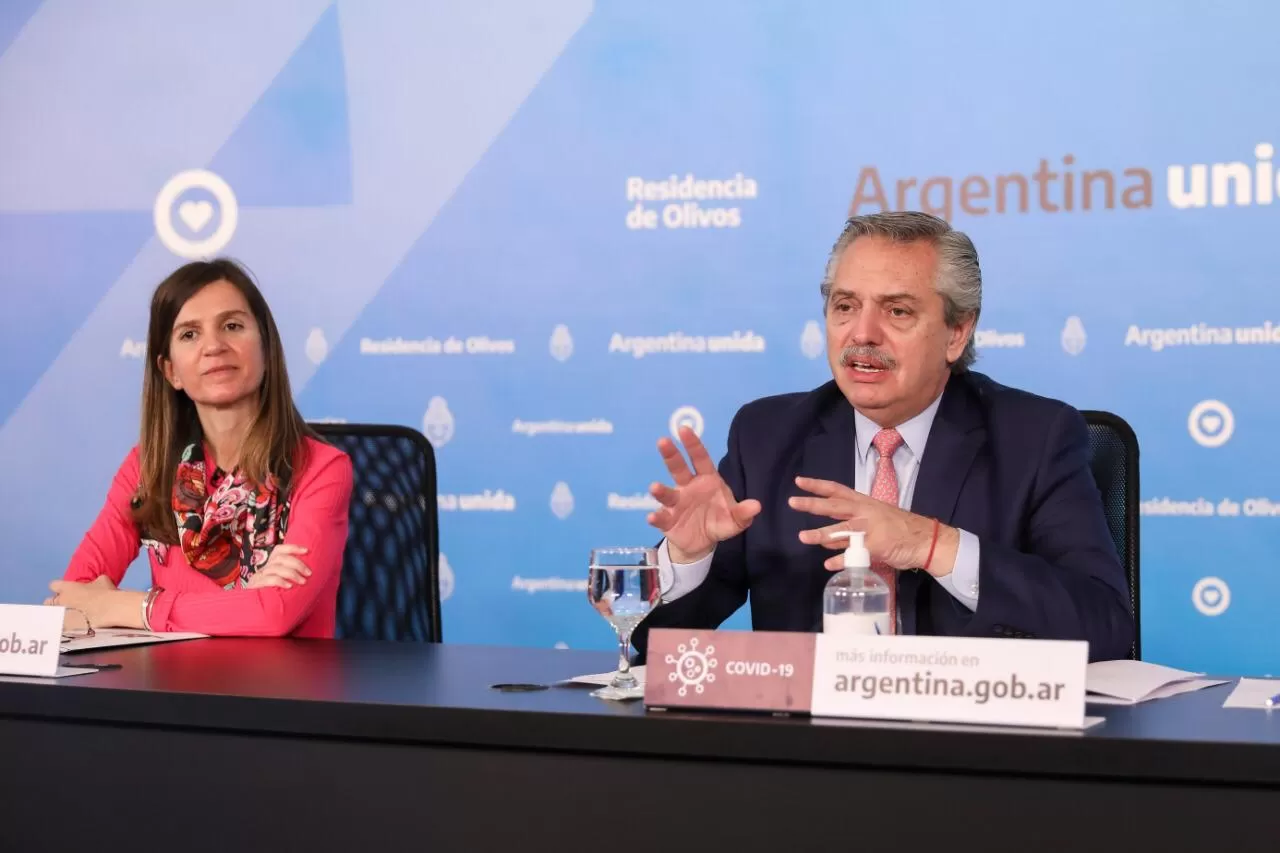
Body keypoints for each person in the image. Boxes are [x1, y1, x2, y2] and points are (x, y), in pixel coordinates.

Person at [634, 211, 1134, 662]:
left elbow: (1106, 626)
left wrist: (933, 544)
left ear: (957, 332)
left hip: (971, 746)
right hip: (806, 749)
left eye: (897, 311)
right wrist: (688, 558)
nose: (862, 333)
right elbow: (653, 640)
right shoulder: (767, 437)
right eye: (845, 306)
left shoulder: (1035, 439)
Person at [46, 258, 353, 637]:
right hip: (172, 689)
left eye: (232, 326)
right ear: (170, 370)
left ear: (266, 350)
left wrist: (128, 605)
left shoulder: (322, 468)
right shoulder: (148, 467)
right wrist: (245, 601)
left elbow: (275, 615)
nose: (213, 346)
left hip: (283, 691)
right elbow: (71, 598)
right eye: (189, 335)